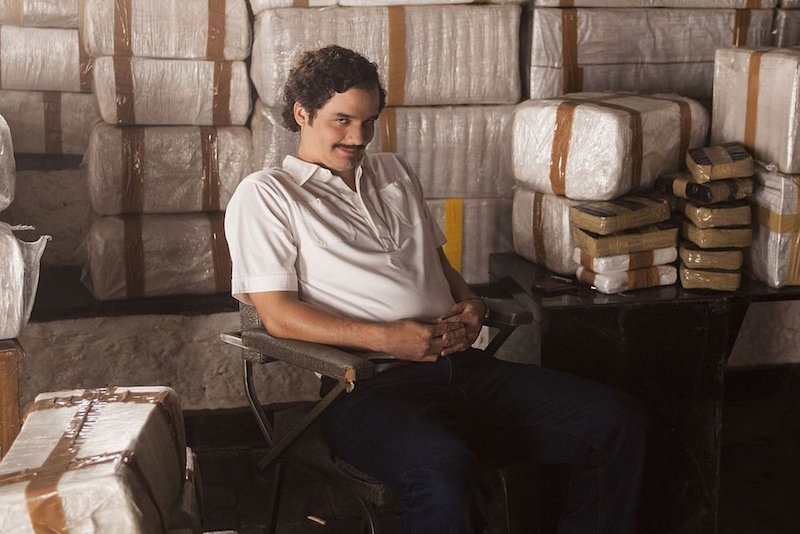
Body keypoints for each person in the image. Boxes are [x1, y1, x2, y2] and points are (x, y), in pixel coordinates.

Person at [225, 45, 646, 534]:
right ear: (302, 113)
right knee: (443, 468)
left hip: (463, 368)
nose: (357, 136)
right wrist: (389, 339)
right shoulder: (268, 194)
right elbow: (278, 316)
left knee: (616, 420)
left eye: (368, 121)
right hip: (368, 387)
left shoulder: (394, 174)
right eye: (342, 120)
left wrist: (471, 302)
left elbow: (437, 265)